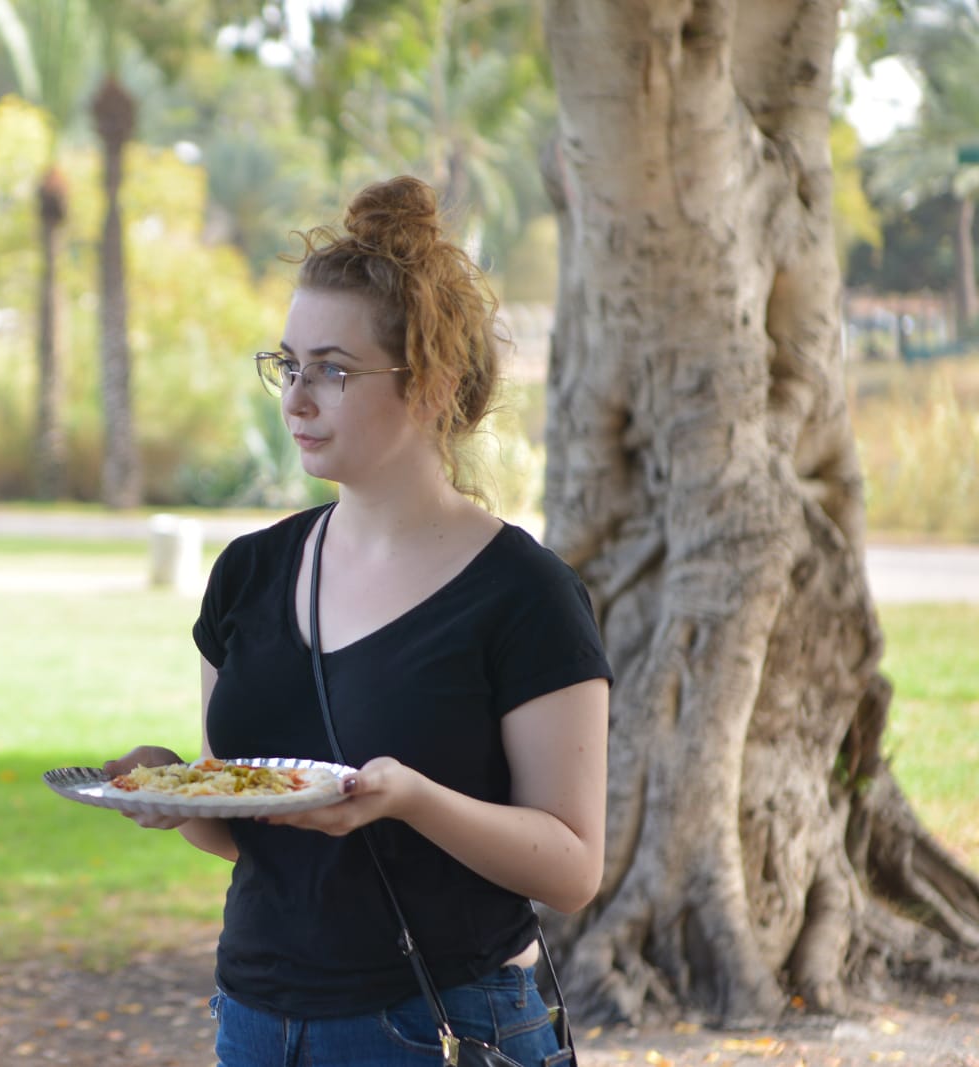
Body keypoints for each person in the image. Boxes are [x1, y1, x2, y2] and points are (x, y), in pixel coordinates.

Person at [104, 175, 612, 1067]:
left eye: (333, 370)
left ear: (432, 386)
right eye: (288, 363)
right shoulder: (248, 575)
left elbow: (571, 868)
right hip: (255, 1021)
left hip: (443, 1026)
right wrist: (176, 794)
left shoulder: (525, 594)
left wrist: (413, 799)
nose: (297, 398)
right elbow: (246, 836)